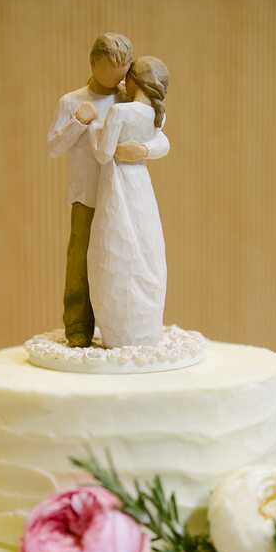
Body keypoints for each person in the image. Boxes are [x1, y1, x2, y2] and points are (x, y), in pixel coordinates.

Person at [46, 34, 169, 347]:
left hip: (122, 198)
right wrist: (78, 121)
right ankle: (77, 329)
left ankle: (119, 327)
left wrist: (142, 149)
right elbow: (53, 148)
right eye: (113, 71)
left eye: (124, 71)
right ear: (94, 64)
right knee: (80, 263)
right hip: (88, 196)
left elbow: (160, 137)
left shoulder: (127, 100)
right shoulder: (72, 101)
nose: (120, 79)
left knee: (120, 263)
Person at [87, 57, 170, 349]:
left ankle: (119, 330)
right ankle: (145, 327)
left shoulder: (119, 112)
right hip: (141, 188)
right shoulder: (157, 115)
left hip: (118, 186)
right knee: (146, 247)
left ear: (131, 81)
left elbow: (102, 154)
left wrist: (93, 129)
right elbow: (164, 144)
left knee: (115, 251)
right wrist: (145, 150)